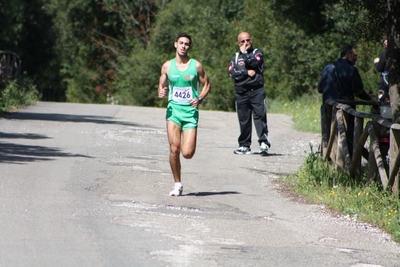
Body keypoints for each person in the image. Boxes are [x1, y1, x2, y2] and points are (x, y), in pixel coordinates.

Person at [158, 33, 211, 196]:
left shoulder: (196, 66)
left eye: (187, 44)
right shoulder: (167, 66)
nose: (183, 46)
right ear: (175, 44)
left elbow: (207, 84)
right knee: (174, 149)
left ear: (189, 47)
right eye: (181, 43)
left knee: (187, 153)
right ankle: (177, 184)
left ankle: (184, 140)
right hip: (173, 111)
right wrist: (161, 90)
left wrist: (200, 98)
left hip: (190, 114)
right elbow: (162, 83)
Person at [228, 32, 271, 155]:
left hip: (256, 91)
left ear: (251, 41)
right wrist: (246, 73)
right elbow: (232, 73)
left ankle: (264, 143)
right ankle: (244, 145)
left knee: (259, 116)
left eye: (248, 40)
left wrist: (246, 54)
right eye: (242, 41)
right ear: (238, 43)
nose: (245, 43)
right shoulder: (235, 57)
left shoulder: (257, 53)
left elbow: (254, 63)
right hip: (241, 92)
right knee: (244, 119)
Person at [374, 36, 389, 101]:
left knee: (382, 97)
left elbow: (379, 68)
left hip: (386, 78)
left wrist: (376, 62)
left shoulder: (384, 52)